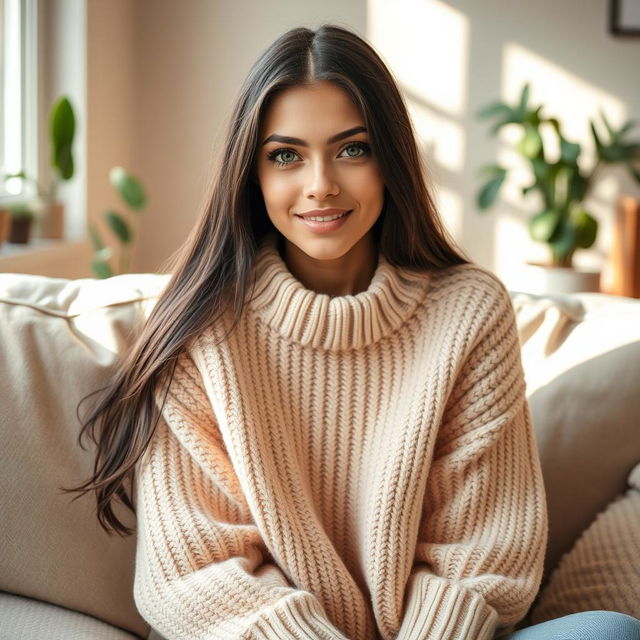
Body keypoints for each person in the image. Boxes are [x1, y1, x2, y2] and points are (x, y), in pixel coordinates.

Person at [66, 24, 640, 640]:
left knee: (605, 632)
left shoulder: (470, 313)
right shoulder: (198, 326)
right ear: (252, 174)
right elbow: (195, 572)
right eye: (285, 155)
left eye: (352, 149)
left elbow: (481, 555)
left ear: (390, 159)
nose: (321, 184)